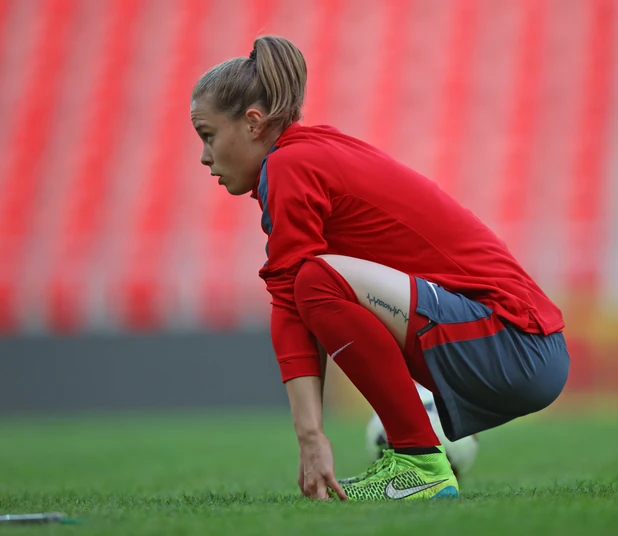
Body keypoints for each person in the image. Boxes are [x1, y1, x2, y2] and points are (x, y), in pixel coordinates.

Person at [190, 35, 570, 502]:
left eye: (208, 135)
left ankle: (419, 463)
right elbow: (292, 302)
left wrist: (311, 437)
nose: (204, 156)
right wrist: (310, 436)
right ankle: (416, 458)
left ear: (252, 123)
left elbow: (294, 295)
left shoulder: (291, 164)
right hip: (521, 347)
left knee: (315, 280)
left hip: (515, 342)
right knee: (312, 280)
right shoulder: (304, 155)